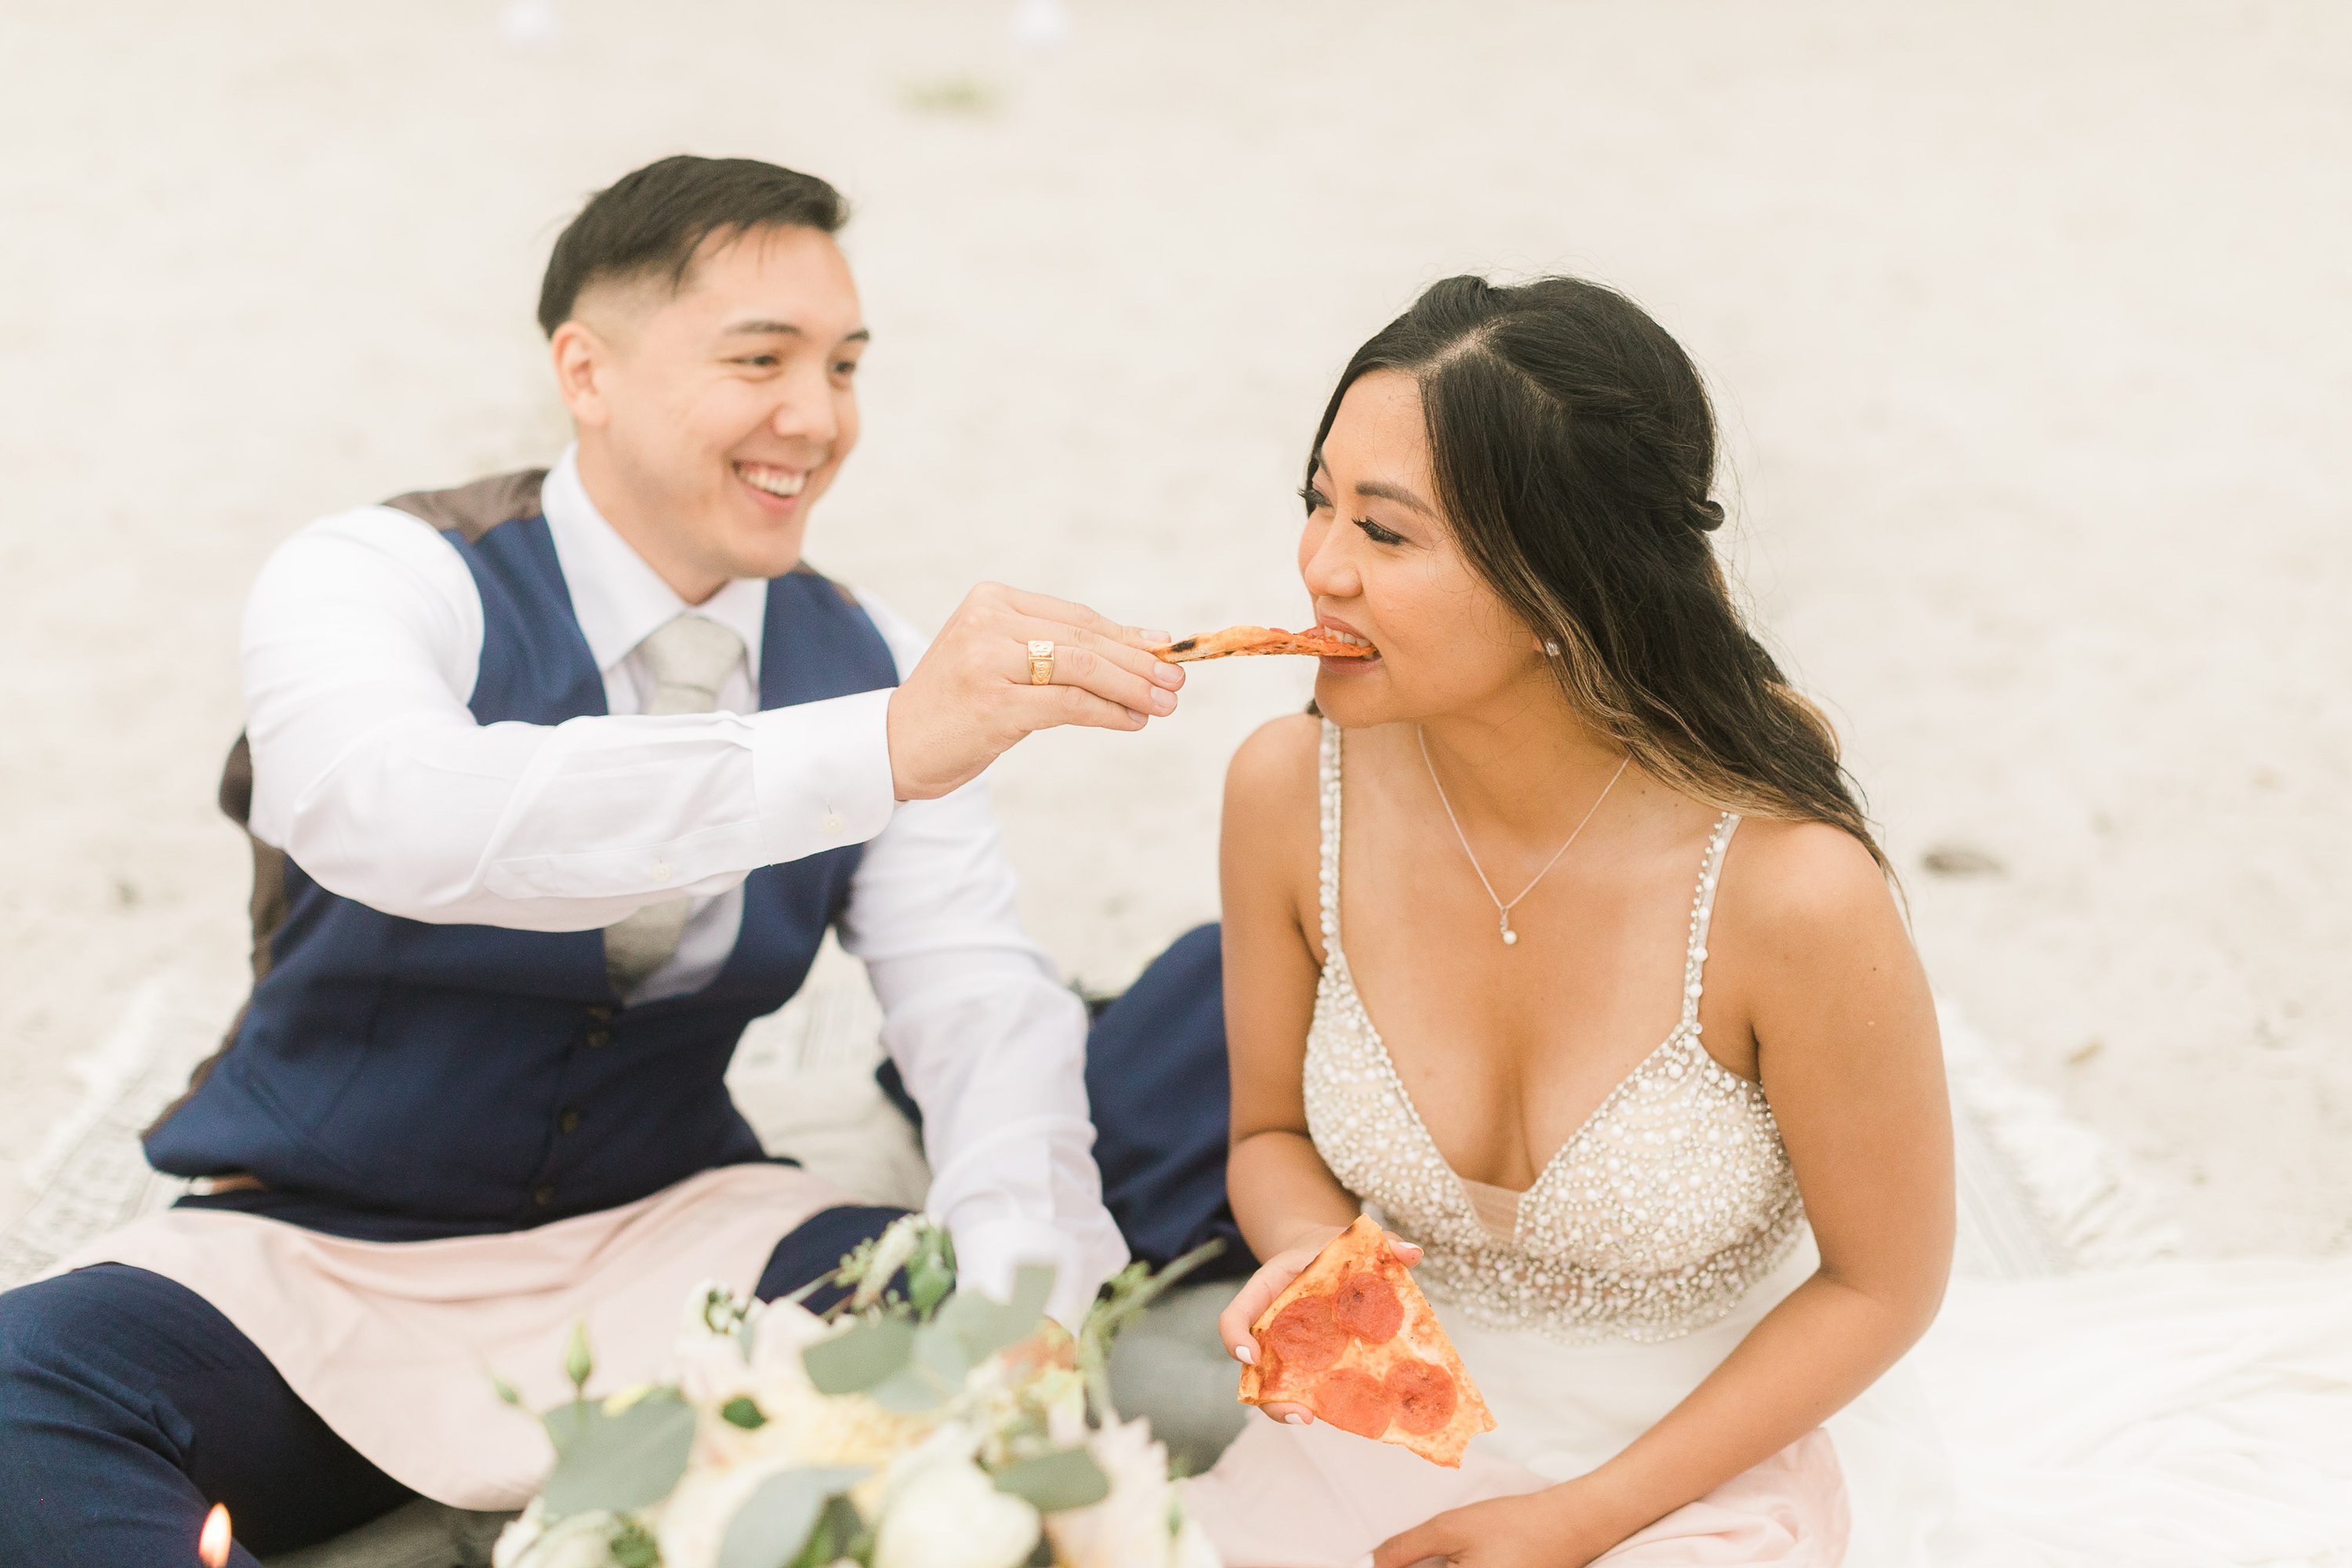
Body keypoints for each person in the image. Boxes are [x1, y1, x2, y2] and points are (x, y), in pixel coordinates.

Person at [0, 155, 1187, 1565]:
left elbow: (981, 1003)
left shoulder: (867, 657)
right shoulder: (379, 575)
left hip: (679, 1231)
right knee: (24, 1402)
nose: (816, 419)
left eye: (847, 365)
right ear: (586, 371)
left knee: (946, 1331)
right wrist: (872, 748)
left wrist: (1020, 1309)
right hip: (323, 1248)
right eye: (762, 360)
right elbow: (397, 814)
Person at [1156, 275, 2352, 1566]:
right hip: (1383, 1441)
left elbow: (1882, 1285)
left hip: (1720, 1463)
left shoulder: (1788, 887)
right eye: (1316, 502)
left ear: (1564, 578)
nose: (1318, 565)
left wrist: (1580, 1520)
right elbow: (1270, 1131)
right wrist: (1309, 1260)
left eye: (1386, 535)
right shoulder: (1287, 791)